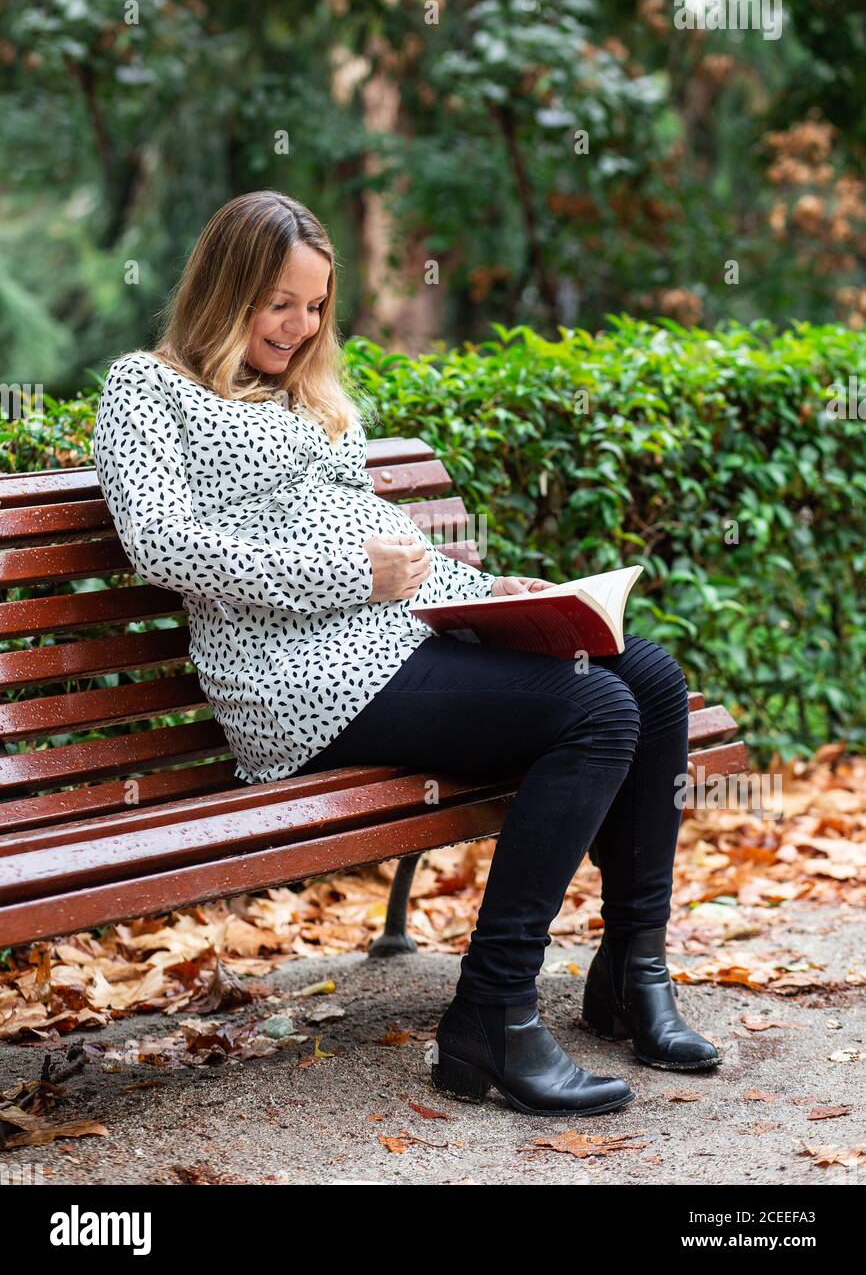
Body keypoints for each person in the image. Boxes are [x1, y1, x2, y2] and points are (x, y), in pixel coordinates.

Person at [91, 189, 720, 1121]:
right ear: (225, 290)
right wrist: (353, 575)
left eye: (315, 306)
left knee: (650, 677)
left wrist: (495, 593)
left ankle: (634, 970)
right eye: (279, 305)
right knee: (596, 709)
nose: (301, 328)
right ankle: (493, 1016)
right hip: (295, 689)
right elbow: (165, 548)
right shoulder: (147, 388)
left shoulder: (303, 395)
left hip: (386, 650)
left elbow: (393, 555)